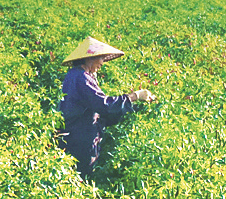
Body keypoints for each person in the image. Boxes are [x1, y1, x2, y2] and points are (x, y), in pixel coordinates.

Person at [58, 36, 156, 180]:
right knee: (79, 178)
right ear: (89, 58)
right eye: (101, 58)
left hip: (76, 135)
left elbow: (101, 112)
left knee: (75, 177)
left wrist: (132, 108)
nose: (102, 63)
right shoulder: (81, 78)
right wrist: (134, 96)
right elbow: (104, 105)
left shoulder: (77, 75)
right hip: (80, 139)